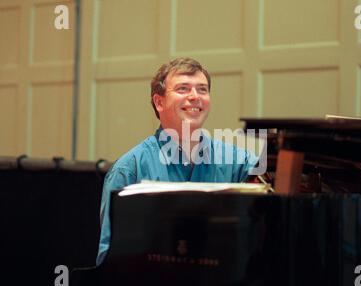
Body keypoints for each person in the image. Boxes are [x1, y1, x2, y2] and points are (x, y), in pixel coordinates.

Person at [96, 57, 259, 265]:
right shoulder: (129, 169)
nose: (195, 97)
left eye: (202, 89)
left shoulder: (239, 161)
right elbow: (109, 259)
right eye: (183, 89)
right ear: (159, 102)